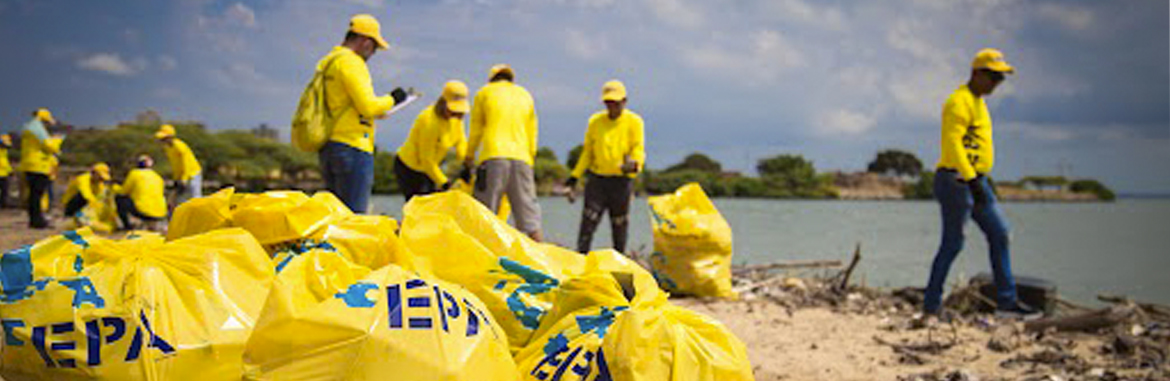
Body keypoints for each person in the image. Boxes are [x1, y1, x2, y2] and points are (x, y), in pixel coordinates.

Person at [924, 48, 1039, 320]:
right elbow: (953, 143)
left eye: (1001, 79)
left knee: (1000, 233)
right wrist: (972, 179)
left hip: (977, 180)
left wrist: (981, 180)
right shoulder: (958, 101)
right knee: (953, 243)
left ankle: (1006, 304)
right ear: (976, 73)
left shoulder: (979, 103)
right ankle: (931, 305)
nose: (997, 83)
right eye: (993, 77)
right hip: (956, 180)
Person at [316, 14, 413, 213]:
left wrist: (376, 111)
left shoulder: (328, 62)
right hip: (353, 146)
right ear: (366, 42)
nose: (374, 53)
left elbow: (345, 104)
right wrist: (394, 99)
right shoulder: (352, 63)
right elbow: (368, 106)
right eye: (375, 47)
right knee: (354, 217)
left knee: (336, 215)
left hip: (329, 145)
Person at [564, 80, 645, 254]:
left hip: (621, 181)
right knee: (588, 223)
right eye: (608, 102)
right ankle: (580, 260)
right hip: (597, 180)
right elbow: (588, 152)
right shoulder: (595, 121)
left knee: (619, 224)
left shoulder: (635, 122)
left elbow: (638, 148)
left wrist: (635, 165)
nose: (612, 106)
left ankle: (620, 263)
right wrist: (574, 177)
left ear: (624, 101)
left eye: (615, 102)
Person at [465, 64, 543, 241]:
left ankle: (482, 259)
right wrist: (530, 158)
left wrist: (469, 158)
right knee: (529, 218)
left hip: (493, 157)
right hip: (523, 159)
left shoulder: (484, 93)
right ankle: (542, 258)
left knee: (485, 214)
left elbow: (476, 129)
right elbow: (533, 132)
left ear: (492, 78)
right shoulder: (525, 95)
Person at [394, 80, 470, 201]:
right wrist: (444, 182)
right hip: (410, 168)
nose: (458, 115)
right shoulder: (429, 121)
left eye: (460, 112)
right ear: (444, 102)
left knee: (432, 206)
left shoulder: (456, 119)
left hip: (430, 169)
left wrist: (466, 162)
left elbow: (460, 141)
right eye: (454, 111)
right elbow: (426, 159)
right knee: (419, 207)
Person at [19, 108, 63, 229]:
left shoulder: (28, 126)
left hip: (29, 164)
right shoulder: (37, 128)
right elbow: (49, 147)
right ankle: (37, 221)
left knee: (33, 194)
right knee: (37, 194)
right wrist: (57, 140)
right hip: (39, 165)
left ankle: (35, 219)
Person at [114, 155, 167, 230]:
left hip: (143, 211)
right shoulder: (158, 176)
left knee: (119, 198)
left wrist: (115, 187)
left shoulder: (134, 173)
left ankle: (127, 226)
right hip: (161, 213)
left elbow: (124, 192)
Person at [155, 124, 203, 205]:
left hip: (192, 174)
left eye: (164, 138)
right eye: (161, 138)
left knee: (195, 197)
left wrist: (184, 178)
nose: (162, 140)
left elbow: (186, 163)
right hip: (181, 176)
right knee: (181, 200)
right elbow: (175, 165)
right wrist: (176, 178)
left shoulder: (179, 146)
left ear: (170, 136)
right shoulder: (167, 148)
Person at [0, 134, 12, 209]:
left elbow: (6, 162)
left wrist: (10, 171)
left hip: (4, 174)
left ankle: (3, 204)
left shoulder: (4, 151)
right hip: (2, 174)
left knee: (4, 190)